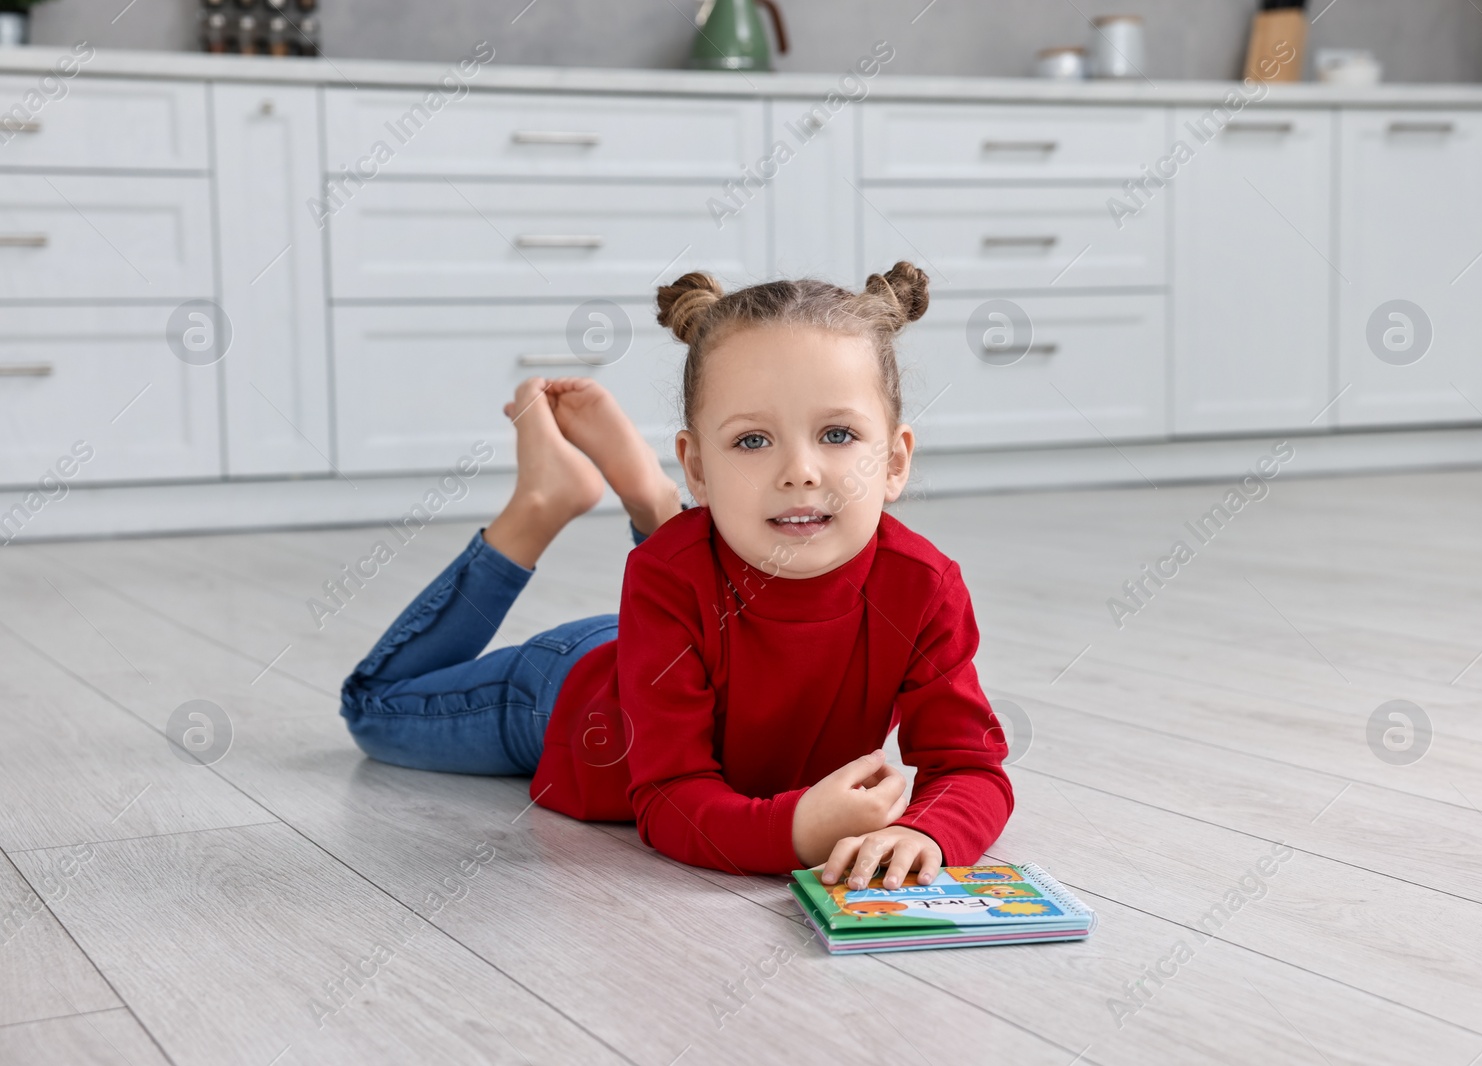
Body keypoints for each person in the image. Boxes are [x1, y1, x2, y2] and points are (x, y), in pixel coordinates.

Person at [339, 261, 1012, 892]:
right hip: (568, 696)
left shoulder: (925, 586)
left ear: (894, 462)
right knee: (372, 709)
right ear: (697, 466)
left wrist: (931, 830)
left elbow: (969, 766)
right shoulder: (666, 578)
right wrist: (797, 830)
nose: (801, 471)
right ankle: (537, 507)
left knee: (703, 558)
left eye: (837, 434)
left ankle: (654, 505)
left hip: (689, 632)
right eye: (752, 440)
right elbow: (668, 799)